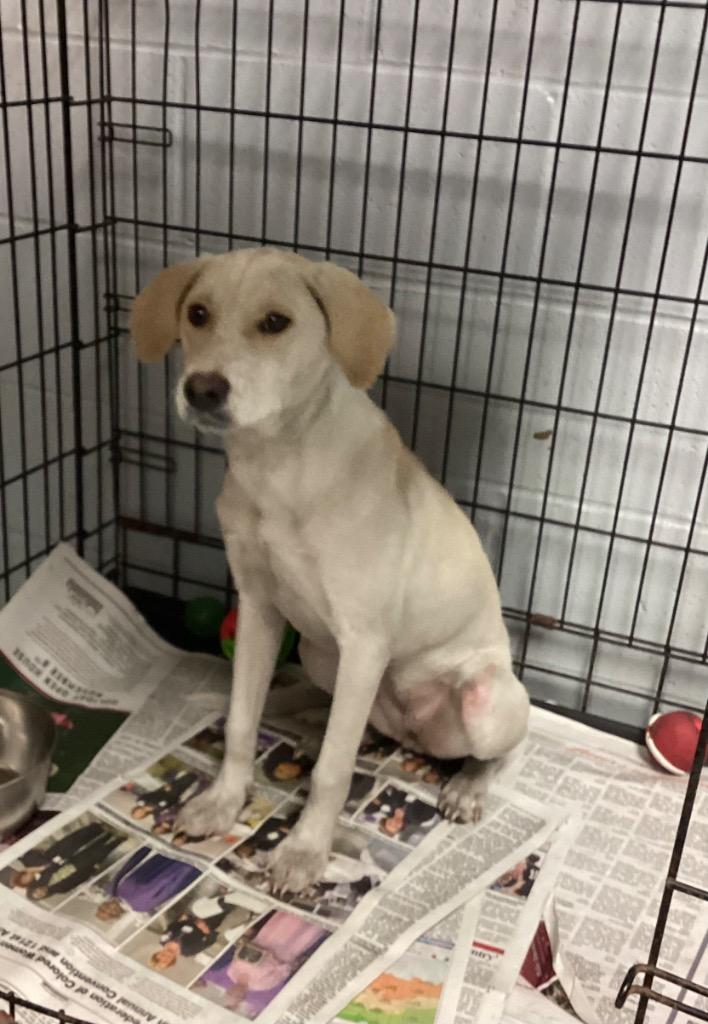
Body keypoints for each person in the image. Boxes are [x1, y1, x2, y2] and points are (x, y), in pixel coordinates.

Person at [12, 822, 126, 901]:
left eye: (36, 892)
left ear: (34, 887)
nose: (40, 892)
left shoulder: (41, 877)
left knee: (91, 848)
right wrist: (92, 870)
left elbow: (49, 865)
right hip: (79, 868)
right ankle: (119, 839)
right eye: (39, 895)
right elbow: (77, 881)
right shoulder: (61, 890)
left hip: (69, 860)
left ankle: (108, 834)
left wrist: (37, 868)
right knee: (101, 854)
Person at [96, 848, 199, 922]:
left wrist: (146, 848)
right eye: (109, 913)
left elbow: (129, 866)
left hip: (159, 854)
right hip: (177, 866)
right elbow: (167, 890)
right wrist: (186, 868)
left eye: (102, 909)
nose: (108, 908)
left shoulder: (114, 890)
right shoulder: (140, 905)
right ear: (117, 915)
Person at [130, 769, 203, 821]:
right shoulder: (155, 812)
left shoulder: (140, 801)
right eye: (139, 815)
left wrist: (163, 789)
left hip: (166, 790)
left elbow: (152, 793)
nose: (139, 813)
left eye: (136, 813)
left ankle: (194, 772)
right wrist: (176, 800)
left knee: (183, 780)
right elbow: (168, 806)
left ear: (135, 810)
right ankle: (197, 774)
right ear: (143, 816)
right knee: (186, 784)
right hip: (174, 796)